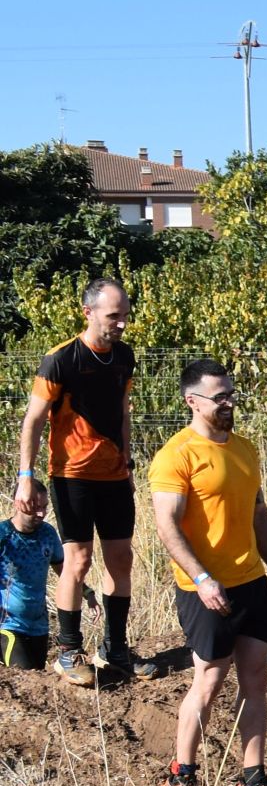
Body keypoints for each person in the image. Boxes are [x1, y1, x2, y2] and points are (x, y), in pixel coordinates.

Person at [148, 360, 267, 786]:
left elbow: (259, 515)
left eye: (232, 393)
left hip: (251, 580)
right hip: (203, 589)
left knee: (256, 677)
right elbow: (167, 527)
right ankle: (180, 776)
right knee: (209, 680)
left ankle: (253, 781)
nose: (230, 402)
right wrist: (201, 578)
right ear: (192, 401)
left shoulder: (246, 450)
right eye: (220, 397)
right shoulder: (176, 455)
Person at [14, 277, 158, 685]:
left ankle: (115, 650)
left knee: (121, 559)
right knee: (77, 561)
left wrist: (128, 466)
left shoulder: (125, 357)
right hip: (71, 476)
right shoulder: (60, 360)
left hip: (114, 477)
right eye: (114, 316)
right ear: (88, 312)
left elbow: (124, 413)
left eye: (126, 316)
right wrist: (26, 477)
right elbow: (34, 421)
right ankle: (68, 652)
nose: (122, 324)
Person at [0, 478, 89, 671]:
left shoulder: (47, 533)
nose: (41, 513)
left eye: (44, 507)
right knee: (23, 676)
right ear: (18, 502)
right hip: (8, 626)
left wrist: (87, 593)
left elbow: (64, 569)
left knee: (38, 680)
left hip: (39, 627)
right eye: (35, 507)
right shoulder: (3, 535)